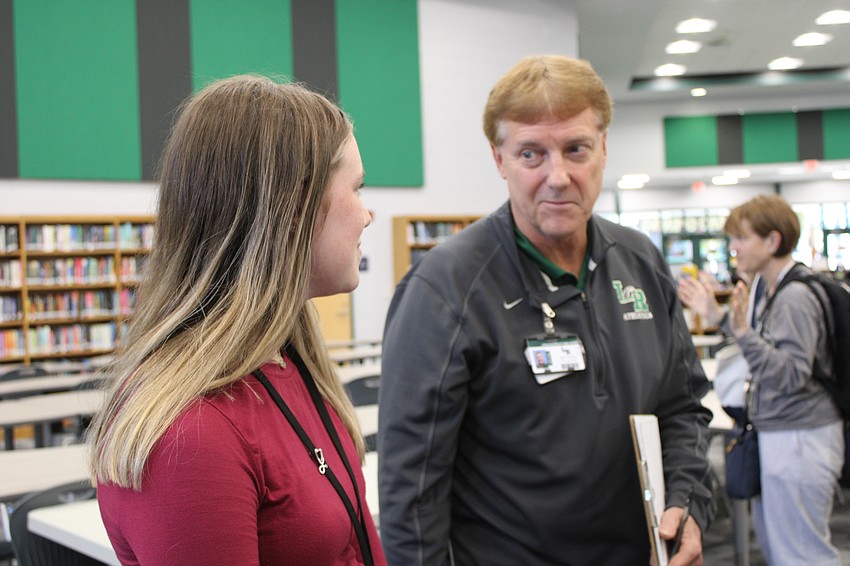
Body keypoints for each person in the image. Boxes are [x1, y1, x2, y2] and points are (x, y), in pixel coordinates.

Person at [378, 55, 715, 565]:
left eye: (575, 149)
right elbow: (412, 487)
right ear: (500, 160)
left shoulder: (640, 262)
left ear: (603, 148)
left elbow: (682, 409)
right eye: (531, 154)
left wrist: (687, 503)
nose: (557, 176)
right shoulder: (446, 288)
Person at [87, 75, 385, 566]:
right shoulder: (192, 434)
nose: (368, 213)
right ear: (294, 208)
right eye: (356, 188)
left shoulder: (293, 362)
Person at [679, 195, 844, 566]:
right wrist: (724, 319)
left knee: (802, 553)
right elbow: (763, 351)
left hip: (800, 436)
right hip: (785, 433)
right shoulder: (769, 289)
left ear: (772, 241)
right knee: (781, 547)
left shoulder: (795, 296)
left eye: (742, 238)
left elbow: (789, 374)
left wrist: (738, 329)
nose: (734, 248)